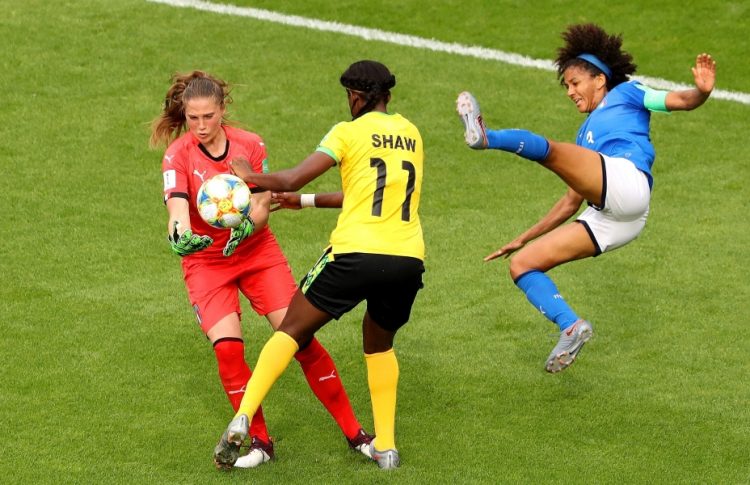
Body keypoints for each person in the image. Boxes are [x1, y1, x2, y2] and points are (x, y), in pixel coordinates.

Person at [455, 23, 715, 373]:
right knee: (523, 265)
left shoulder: (629, 93)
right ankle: (572, 326)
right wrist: (522, 238)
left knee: (549, 151)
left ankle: (486, 137)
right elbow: (569, 203)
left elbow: (680, 100)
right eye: (566, 86)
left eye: (575, 83)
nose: (569, 92)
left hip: (627, 183)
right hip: (616, 219)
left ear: (600, 80)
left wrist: (701, 92)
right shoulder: (585, 137)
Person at [150, 70, 373, 469]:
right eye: (192, 118)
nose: (200, 127)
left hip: (256, 254)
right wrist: (180, 236)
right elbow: (177, 210)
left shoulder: (250, 145)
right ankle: (259, 444)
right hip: (205, 261)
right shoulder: (178, 155)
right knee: (229, 350)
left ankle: (356, 435)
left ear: (223, 111)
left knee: (298, 338)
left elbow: (262, 205)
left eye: (208, 117)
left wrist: (248, 226)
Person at [212, 60, 425, 470]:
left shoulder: (347, 132)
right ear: (389, 97)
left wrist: (250, 177)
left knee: (291, 328)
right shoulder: (411, 133)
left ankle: (243, 415)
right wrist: (305, 204)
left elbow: (292, 178)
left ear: (356, 97)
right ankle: (387, 448)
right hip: (407, 258)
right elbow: (364, 194)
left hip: (355, 254)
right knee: (379, 345)